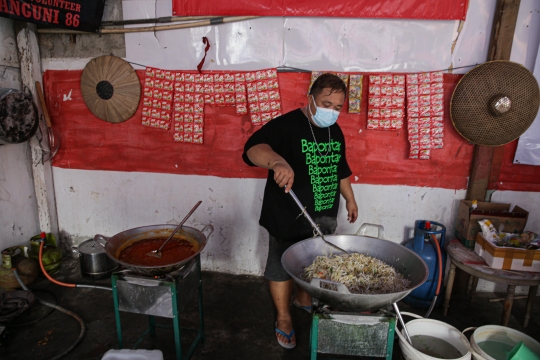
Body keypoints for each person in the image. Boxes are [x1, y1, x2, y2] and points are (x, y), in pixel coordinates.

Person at [242, 73, 358, 349]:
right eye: (326, 103)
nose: (331, 111)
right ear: (310, 99)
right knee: (281, 266)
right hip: (287, 215)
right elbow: (251, 150)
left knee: (315, 263)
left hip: (324, 217)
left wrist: (351, 199)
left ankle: (303, 298)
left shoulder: (335, 131)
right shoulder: (286, 125)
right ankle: (283, 318)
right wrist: (278, 161)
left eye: (337, 107)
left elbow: (340, 169)